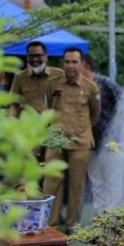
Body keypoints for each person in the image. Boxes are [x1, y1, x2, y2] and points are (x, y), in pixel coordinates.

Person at [43, 48, 101, 233]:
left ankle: (72, 224)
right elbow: (47, 108)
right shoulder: (52, 84)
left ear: (81, 64)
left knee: (77, 185)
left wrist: (81, 129)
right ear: (63, 63)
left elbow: (95, 113)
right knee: (51, 182)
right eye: (67, 62)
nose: (70, 66)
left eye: (74, 62)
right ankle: (50, 224)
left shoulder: (91, 87)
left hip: (80, 142)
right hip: (56, 141)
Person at [8, 41, 65, 117]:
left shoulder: (60, 75)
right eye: (31, 56)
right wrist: (13, 122)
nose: (35, 59)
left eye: (38, 55)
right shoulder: (20, 77)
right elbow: (14, 103)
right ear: (27, 57)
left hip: (53, 124)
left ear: (46, 56)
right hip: (29, 125)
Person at [81, 54, 123, 149]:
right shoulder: (77, 87)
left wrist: (118, 132)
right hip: (86, 143)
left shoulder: (105, 83)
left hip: (109, 142)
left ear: (85, 65)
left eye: (76, 63)